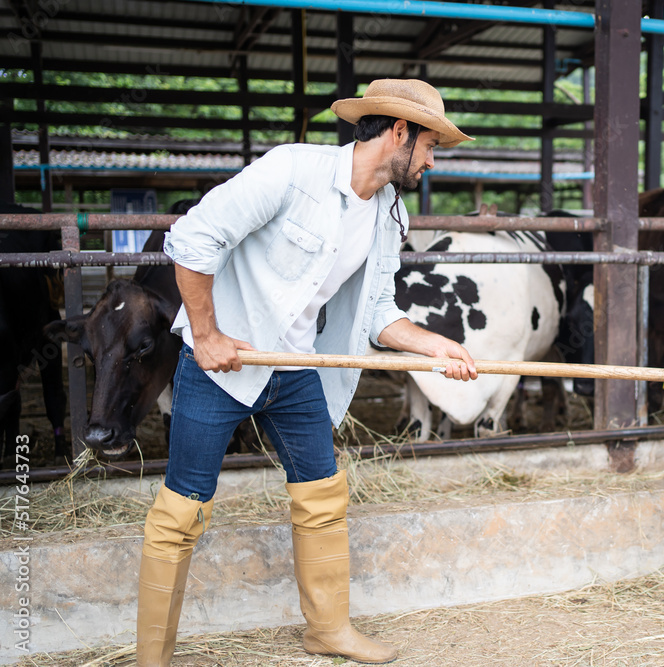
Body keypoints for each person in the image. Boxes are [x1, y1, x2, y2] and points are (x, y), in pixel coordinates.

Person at [136, 79, 476, 666]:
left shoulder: (390, 213)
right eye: (430, 144)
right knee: (182, 508)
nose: (430, 158)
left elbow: (377, 312)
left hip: (296, 369)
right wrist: (209, 335)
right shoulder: (291, 171)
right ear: (399, 132)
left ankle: (327, 631)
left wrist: (433, 347)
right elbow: (192, 240)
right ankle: (152, 655)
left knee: (323, 496)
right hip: (224, 365)